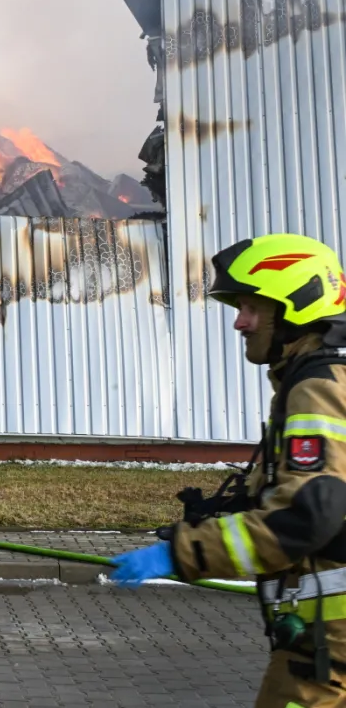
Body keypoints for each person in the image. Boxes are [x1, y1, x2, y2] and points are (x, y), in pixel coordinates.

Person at [111, 233, 346, 708]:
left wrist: (184, 553)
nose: (241, 322)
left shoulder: (317, 389)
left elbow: (307, 515)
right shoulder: (321, 378)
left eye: (252, 307)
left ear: (297, 306)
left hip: (326, 657)